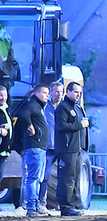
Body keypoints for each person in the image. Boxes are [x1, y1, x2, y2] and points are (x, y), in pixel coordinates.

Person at [55, 82, 89, 216]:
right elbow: (61, 126)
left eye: (79, 93)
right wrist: (79, 124)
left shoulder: (77, 107)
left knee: (74, 177)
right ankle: (65, 206)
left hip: (77, 149)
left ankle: (72, 204)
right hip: (67, 148)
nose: (77, 95)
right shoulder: (63, 107)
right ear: (67, 91)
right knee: (66, 178)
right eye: (75, 92)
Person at [20, 84, 50, 217]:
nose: (47, 95)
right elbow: (24, 115)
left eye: (47, 93)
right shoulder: (33, 105)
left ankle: (36, 205)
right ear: (36, 93)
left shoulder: (39, 107)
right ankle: (31, 206)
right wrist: (30, 126)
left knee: (38, 178)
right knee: (33, 177)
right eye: (44, 93)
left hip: (40, 148)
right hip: (35, 147)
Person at [38, 82, 64, 212]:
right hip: (49, 146)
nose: (58, 94)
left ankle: (63, 203)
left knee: (64, 177)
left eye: (61, 92)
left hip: (62, 146)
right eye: (56, 91)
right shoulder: (45, 107)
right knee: (46, 176)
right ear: (51, 92)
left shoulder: (65, 107)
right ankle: (42, 202)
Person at [0, 85, 12, 191]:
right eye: (0, 95)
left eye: (4, 95)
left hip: (4, 151)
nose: (3, 98)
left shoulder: (6, 109)